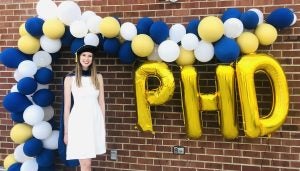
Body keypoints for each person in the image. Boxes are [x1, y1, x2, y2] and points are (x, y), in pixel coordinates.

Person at [63, 45, 106, 171]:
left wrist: (102, 124)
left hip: (94, 121)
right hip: (78, 122)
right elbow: (67, 106)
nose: (86, 58)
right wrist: (66, 132)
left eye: (90, 56)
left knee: (88, 163)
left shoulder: (98, 77)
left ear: (93, 59)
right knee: (86, 163)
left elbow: (102, 102)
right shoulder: (70, 78)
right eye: (84, 55)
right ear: (78, 57)